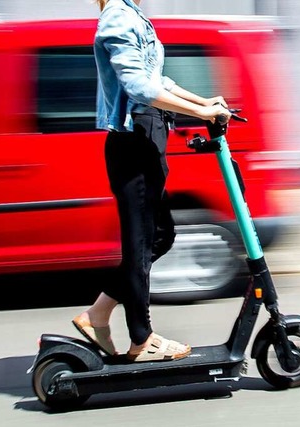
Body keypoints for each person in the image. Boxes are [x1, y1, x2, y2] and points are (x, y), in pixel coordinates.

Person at [72, 0, 232, 362]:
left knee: (160, 237)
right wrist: (203, 112)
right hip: (134, 141)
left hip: (149, 136)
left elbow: (157, 79)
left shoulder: (132, 14)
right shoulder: (117, 15)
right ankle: (141, 339)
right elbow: (138, 86)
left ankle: (98, 312)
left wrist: (203, 100)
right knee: (141, 243)